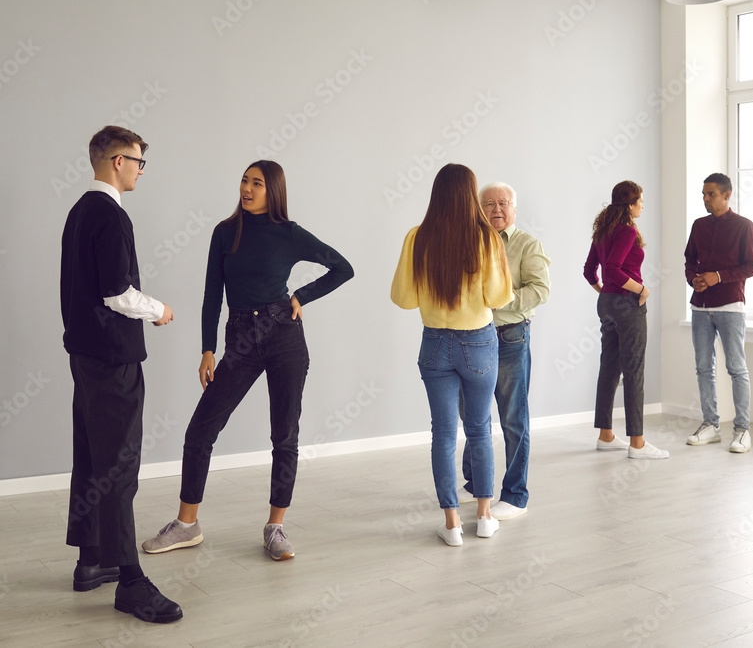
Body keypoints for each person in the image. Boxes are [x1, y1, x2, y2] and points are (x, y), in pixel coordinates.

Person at [141, 160, 353, 561]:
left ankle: (276, 528)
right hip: (239, 338)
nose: (247, 188)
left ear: (273, 190)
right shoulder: (225, 232)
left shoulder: (290, 234)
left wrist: (300, 297)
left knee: (284, 435)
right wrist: (207, 349)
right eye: (244, 180)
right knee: (201, 429)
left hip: (284, 336)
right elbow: (211, 295)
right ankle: (187, 524)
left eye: (257, 183)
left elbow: (343, 268)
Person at [61, 125, 181, 623]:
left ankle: (93, 559)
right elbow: (117, 293)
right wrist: (159, 310)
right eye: (137, 161)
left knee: (92, 455)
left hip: (86, 357)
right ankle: (131, 580)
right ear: (116, 161)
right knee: (119, 468)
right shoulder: (111, 216)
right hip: (113, 359)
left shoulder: (77, 213)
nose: (139, 170)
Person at [391, 163, 513, 546]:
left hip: (435, 344)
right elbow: (499, 297)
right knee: (479, 430)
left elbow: (403, 298)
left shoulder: (417, 237)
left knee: (443, 435)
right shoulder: (487, 238)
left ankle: (452, 524)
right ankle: (485, 516)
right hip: (478, 342)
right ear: (470, 194)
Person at [461, 182, 550, 521]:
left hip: (511, 337)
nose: (496, 209)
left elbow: (540, 289)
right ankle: (473, 484)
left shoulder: (527, 244)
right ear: (478, 209)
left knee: (513, 418)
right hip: (472, 337)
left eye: (503, 203)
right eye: (488, 204)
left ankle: (515, 495)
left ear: (514, 208)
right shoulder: (469, 242)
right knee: (473, 415)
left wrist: (498, 300)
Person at [583, 180, 668, 460]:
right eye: (640, 200)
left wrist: (605, 292)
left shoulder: (603, 230)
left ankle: (606, 435)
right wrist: (642, 290)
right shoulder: (627, 230)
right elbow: (614, 270)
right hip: (628, 305)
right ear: (630, 204)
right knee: (634, 371)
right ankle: (637, 443)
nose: (643, 205)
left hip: (606, 304)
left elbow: (589, 271)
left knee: (609, 368)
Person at [684, 172, 753, 453]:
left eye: (710, 194)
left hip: (730, 307)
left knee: (736, 369)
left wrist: (717, 276)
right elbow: (689, 260)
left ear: (726, 195)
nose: (705, 199)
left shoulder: (744, 226)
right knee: (704, 368)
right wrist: (694, 280)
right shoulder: (699, 225)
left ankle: (742, 431)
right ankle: (710, 425)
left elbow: (751, 266)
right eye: (703, 194)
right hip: (700, 307)